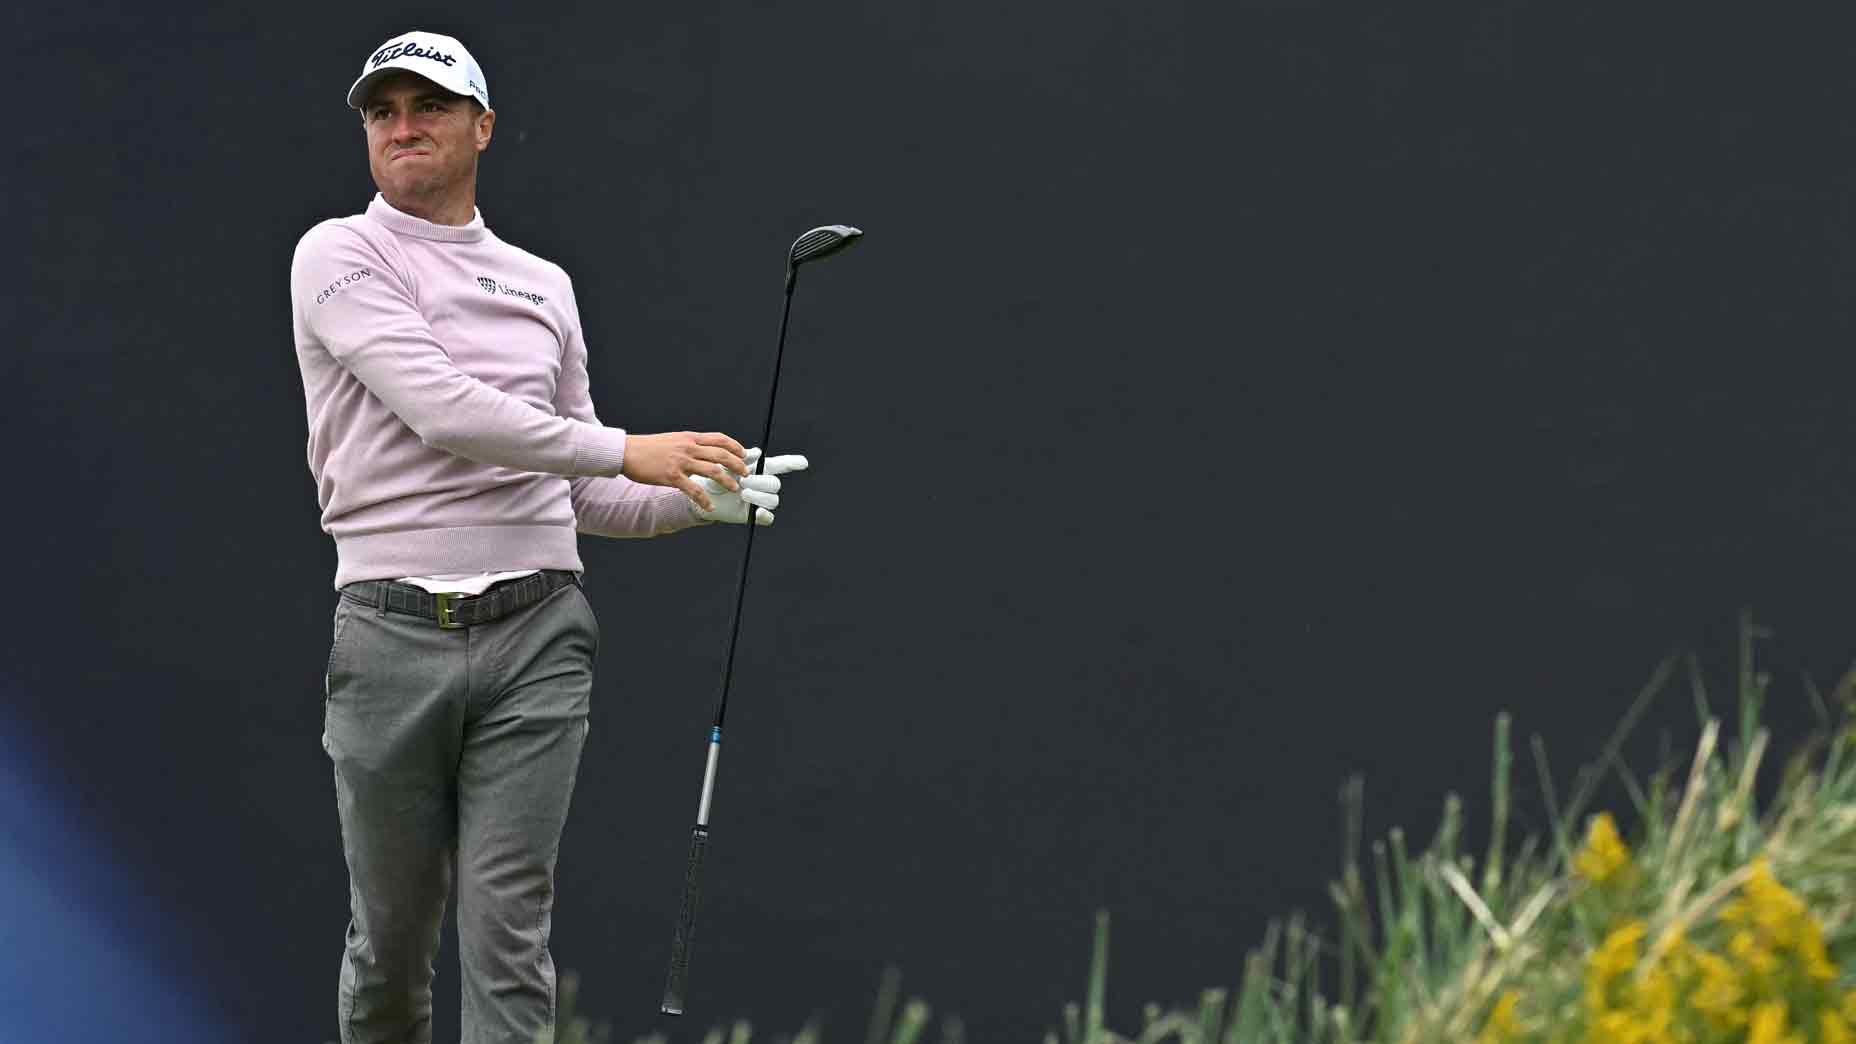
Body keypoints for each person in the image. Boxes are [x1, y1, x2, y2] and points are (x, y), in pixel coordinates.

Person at [288, 29, 808, 1044]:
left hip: (538, 635)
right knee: (388, 948)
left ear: (481, 126)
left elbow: (574, 490)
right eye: (381, 112)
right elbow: (441, 409)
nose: (402, 127)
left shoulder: (542, 285)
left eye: (428, 107)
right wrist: (629, 450)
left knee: (508, 930)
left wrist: (697, 497)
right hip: (390, 633)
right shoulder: (337, 254)